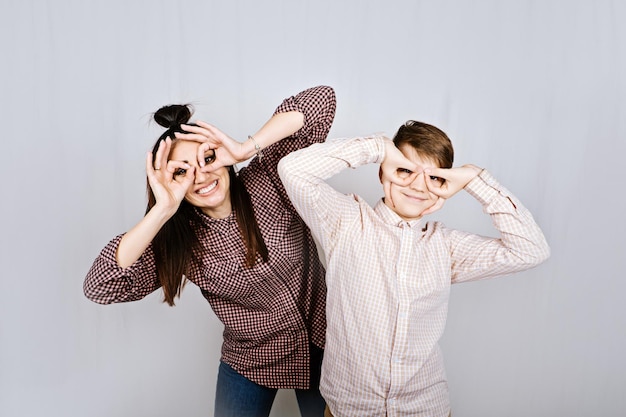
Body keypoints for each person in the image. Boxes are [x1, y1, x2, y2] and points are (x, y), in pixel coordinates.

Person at [83, 85, 336, 417]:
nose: (200, 175)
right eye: (181, 172)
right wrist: (161, 210)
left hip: (324, 343)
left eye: (208, 158)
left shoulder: (268, 178)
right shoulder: (179, 239)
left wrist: (247, 148)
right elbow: (100, 286)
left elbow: (322, 101)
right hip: (250, 360)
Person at [277, 121, 551, 417]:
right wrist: (378, 148)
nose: (418, 185)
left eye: (434, 177)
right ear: (384, 172)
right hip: (351, 408)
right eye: (405, 170)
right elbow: (293, 170)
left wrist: (476, 180)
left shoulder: (445, 246)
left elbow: (532, 249)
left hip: (425, 408)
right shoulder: (346, 223)